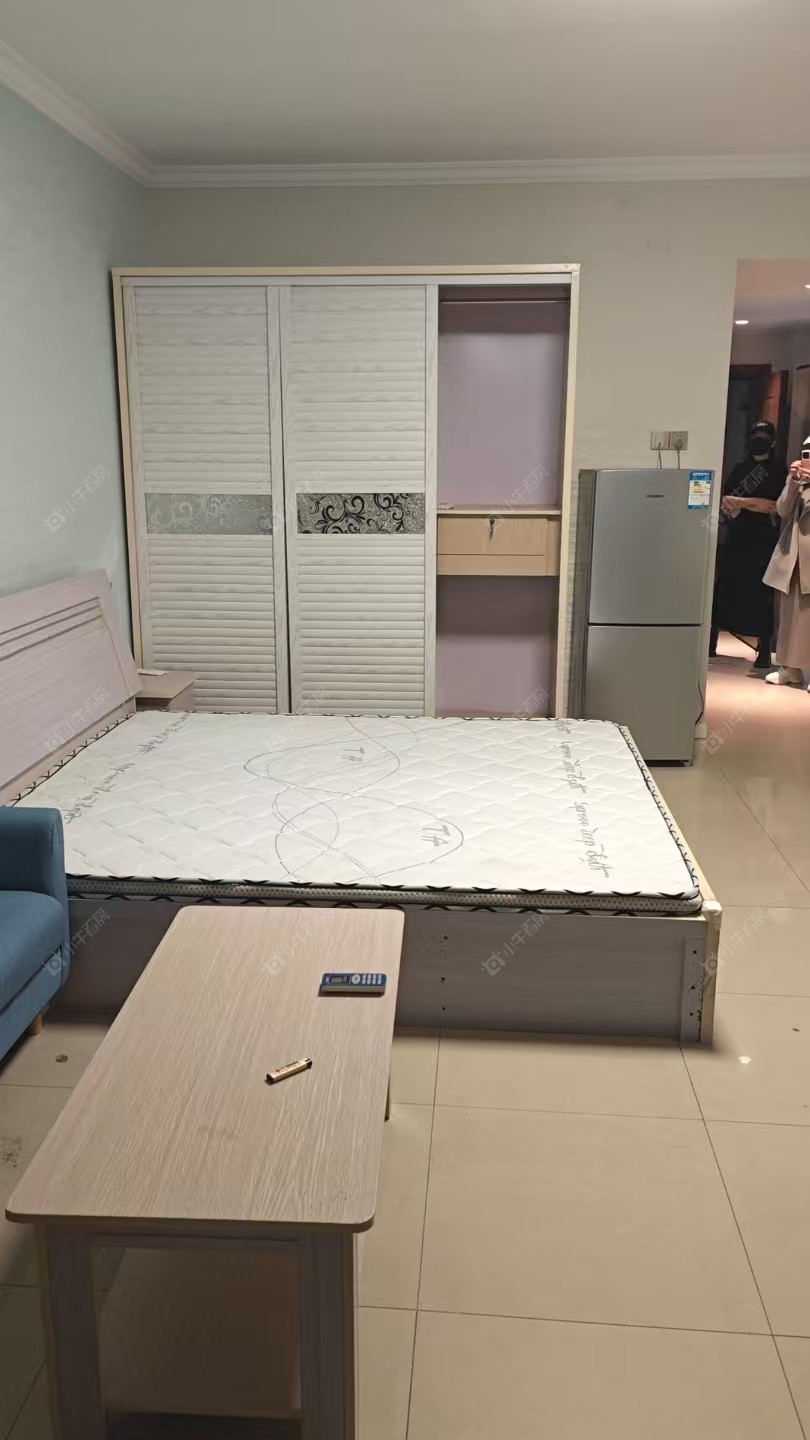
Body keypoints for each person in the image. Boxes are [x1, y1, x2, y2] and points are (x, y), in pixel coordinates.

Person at [710, 421, 784, 671]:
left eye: (764, 436)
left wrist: (743, 502)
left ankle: (764, 651)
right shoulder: (740, 469)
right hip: (737, 537)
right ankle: (711, 642)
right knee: (724, 588)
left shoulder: (778, 470)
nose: (759, 439)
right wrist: (752, 504)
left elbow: (773, 506)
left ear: (772, 441)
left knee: (763, 595)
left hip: (763, 540)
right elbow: (727, 501)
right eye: (756, 435)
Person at [763, 442, 810, 688]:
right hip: (794, 554)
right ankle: (791, 668)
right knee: (791, 614)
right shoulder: (798, 479)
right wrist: (792, 482)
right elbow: (782, 509)